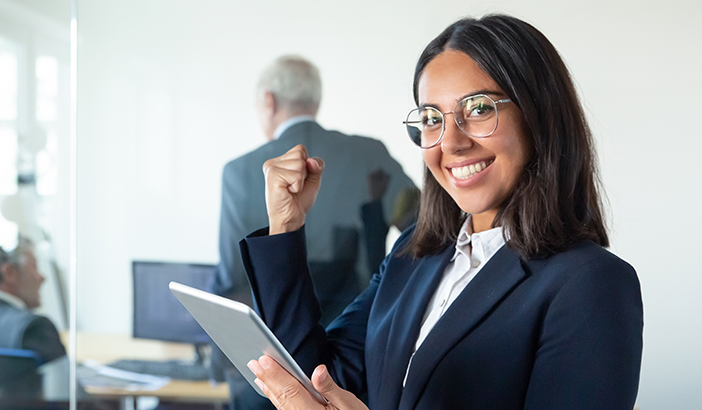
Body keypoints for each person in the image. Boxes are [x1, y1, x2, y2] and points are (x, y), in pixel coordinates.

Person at [241, 14, 643, 410]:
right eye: (432, 118)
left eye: (480, 109)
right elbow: (315, 380)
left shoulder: (592, 284)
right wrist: (286, 227)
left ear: (538, 117)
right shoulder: (414, 254)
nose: (450, 142)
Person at [213, 55, 417, 410]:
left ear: (269, 101)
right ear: (315, 101)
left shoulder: (239, 171)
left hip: (266, 369)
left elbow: (231, 278)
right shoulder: (371, 154)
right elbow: (427, 231)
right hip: (355, 369)